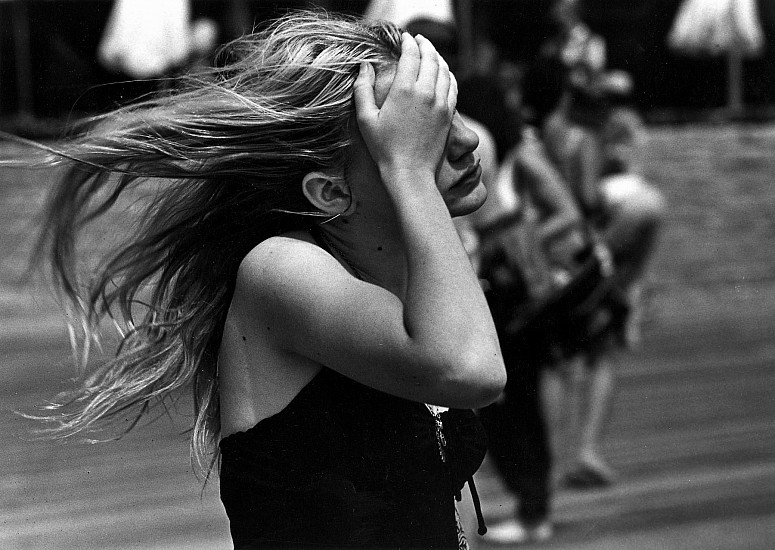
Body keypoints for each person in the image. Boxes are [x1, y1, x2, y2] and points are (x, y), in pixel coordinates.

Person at [22, 12, 506, 549]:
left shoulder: (405, 285)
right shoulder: (279, 271)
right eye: (421, 132)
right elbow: (468, 370)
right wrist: (412, 172)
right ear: (329, 192)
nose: (465, 140)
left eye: (449, 110)